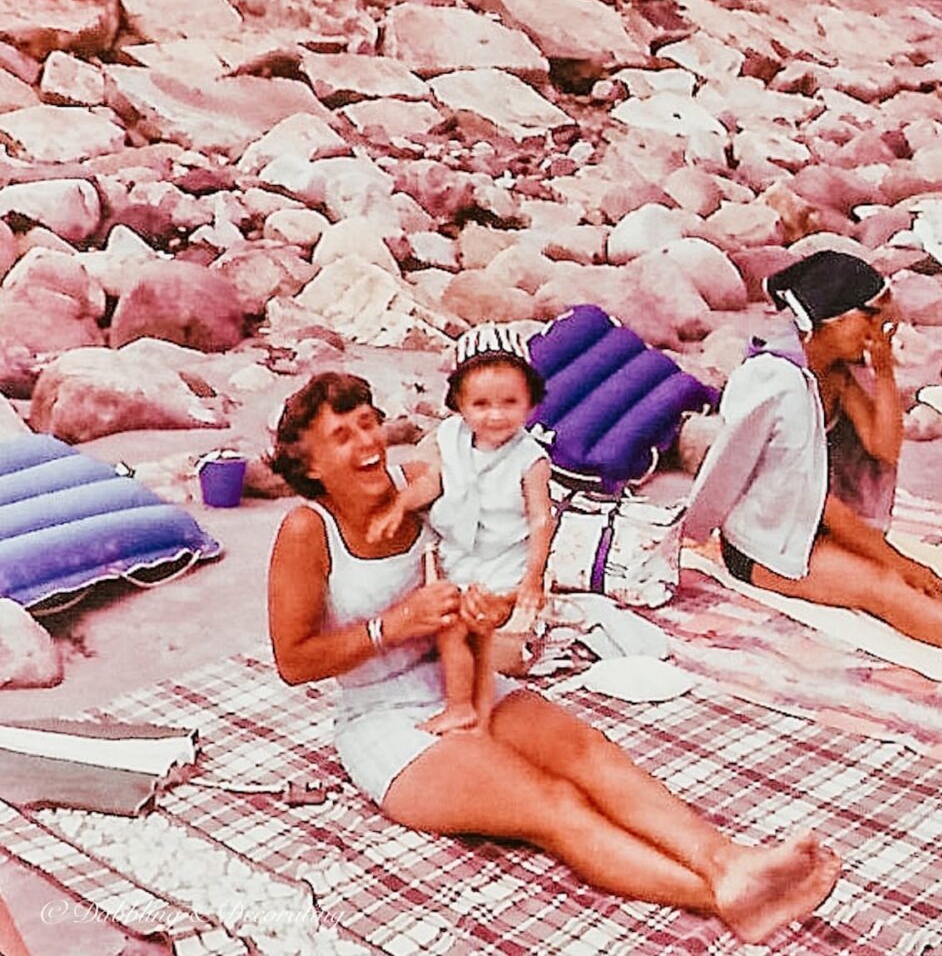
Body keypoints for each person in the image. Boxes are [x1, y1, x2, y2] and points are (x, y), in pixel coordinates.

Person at [267, 369, 841, 946]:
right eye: (342, 437)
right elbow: (294, 662)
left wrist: (485, 608)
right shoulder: (307, 531)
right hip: (382, 718)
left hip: (456, 677)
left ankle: (729, 860)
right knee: (553, 802)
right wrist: (390, 626)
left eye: (368, 425)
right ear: (310, 465)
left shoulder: (423, 490)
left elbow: (487, 552)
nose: (367, 444)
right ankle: (722, 897)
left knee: (589, 754)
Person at [684, 250, 942, 670]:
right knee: (887, 585)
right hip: (767, 542)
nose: (877, 330)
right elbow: (820, 501)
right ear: (831, 318)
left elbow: (884, 447)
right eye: (870, 316)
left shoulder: (835, 370)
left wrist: (884, 370)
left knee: (927, 585)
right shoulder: (779, 382)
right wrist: (897, 559)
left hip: (810, 523)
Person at [367, 323, 552, 734]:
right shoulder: (450, 437)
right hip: (464, 556)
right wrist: (399, 506)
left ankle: (467, 709)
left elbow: (541, 518)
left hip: (505, 562)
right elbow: (434, 481)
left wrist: (533, 579)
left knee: (468, 630)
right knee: (456, 630)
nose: (495, 414)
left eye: (510, 402)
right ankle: (471, 707)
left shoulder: (529, 458)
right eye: (481, 403)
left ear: (531, 404)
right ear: (459, 404)